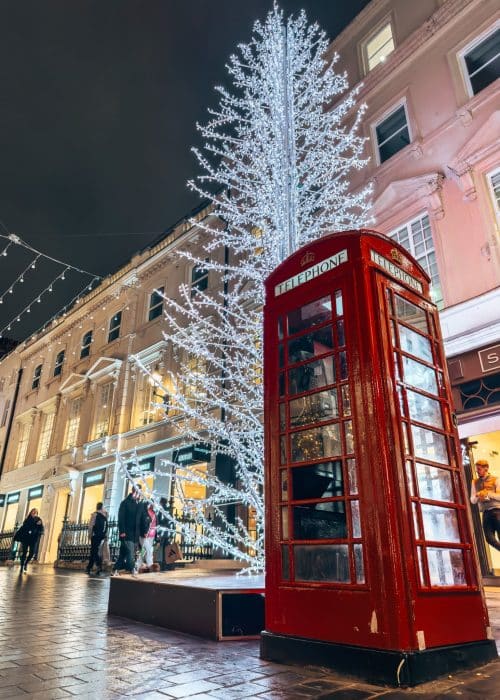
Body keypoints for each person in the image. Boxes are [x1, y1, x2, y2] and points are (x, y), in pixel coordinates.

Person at [470, 459, 500, 552]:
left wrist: (488, 494)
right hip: (486, 513)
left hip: (497, 511)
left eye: (479, 469)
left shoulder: (496, 479)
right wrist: (478, 495)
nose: (477, 471)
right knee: (489, 538)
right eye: (476, 469)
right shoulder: (474, 482)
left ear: (486, 468)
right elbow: (472, 500)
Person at [112, 486, 141, 576]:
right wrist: (122, 532)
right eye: (139, 492)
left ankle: (115, 569)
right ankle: (132, 569)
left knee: (123, 554)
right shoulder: (125, 503)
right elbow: (121, 518)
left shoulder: (137, 504)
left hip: (134, 534)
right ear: (134, 492)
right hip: (127, 533)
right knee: (130, 554)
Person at [15, 509, 44, 573]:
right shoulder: (27, 519)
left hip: (33, 539)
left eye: (35, 512)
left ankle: (26, 563)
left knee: (32, 553)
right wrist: (35, 524)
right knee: (24, 552)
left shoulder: (39, 519)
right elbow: (25, 527)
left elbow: (41, 528)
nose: (34, 513)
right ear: (30, 513)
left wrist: (39, 526)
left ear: (37, 513)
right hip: (26, 538)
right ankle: (22, 566)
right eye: (33, 512)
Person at [86, 502, 108, 576]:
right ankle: (89, 567)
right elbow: (106, 527)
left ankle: (98, 565)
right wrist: (105, 536)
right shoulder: (105, 516)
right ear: (102, 507)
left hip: (95, 535)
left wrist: (89, 535)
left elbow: (91, 526)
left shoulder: (95, 515)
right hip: (102, 536)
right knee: (94, 551)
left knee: (94, 551)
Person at [136, 502, 156, 571]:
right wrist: (144, 531)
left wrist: (156, 535)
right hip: (145, 535)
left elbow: (156, 524)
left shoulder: (154, 512)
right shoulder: (145, 511)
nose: (154, 505)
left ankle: (137, 565)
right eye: (152, 503)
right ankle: (150, 566)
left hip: (152, 535)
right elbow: (142, 522)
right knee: (148, 550)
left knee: (143, 551)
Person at [157, 496, 171, 571]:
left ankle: (161, 565)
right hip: (168, 533)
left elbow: (158, 522)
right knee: (167, 549)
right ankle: (167, 564)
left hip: (162, 532)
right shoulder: (169, 510)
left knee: (161, 549)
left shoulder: (160, 510)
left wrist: (158, 533)